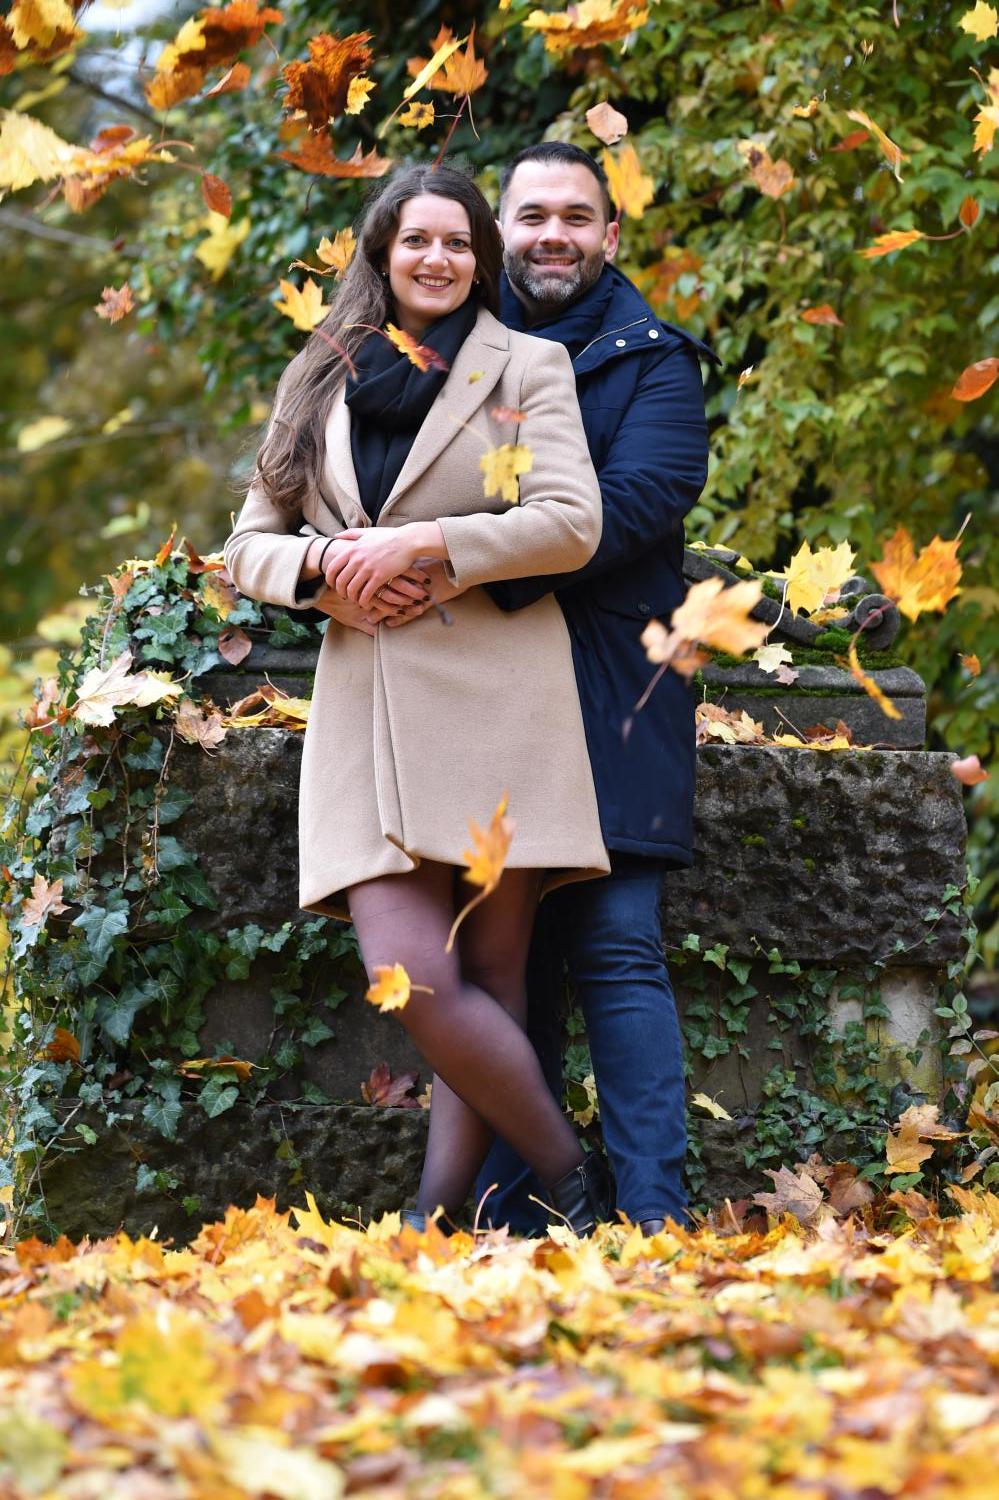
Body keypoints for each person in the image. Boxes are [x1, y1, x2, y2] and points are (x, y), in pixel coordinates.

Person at [224, 163, 615, 1236]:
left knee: (486, 977)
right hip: (365, 710)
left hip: (498, 700)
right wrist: (329, 563)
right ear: (382, 252)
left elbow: (570, 522)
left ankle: (433, 1232)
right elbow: (248, 544)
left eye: (457, 242)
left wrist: (431, 544)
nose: (436, 259)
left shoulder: (527, 367)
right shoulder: (318, 370)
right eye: (416, 241)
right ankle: (572, 1175)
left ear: (480, 260)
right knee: (412, 973)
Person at [349, 144, 719, 1235]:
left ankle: (652, 1214)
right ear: (499, 233)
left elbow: (639, 499)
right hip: (466, 684)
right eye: (530, 216)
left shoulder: (654, 361)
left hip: (610, 684)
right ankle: (513, 1219)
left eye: (576, 216)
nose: (551, 233)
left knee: (611, 941)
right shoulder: (443, 349)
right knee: (492, 962)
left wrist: (455, 564)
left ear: (610, 235)